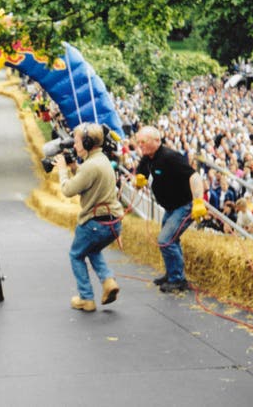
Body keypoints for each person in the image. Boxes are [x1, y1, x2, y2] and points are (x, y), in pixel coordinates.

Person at [54, 123, 124, 312]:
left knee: (76, 255)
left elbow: (68, 190)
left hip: (94, 223)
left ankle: (86, 298)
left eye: (76, 142)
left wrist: (62, 170)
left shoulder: (90, 166)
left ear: (87, 142)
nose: (74, 146)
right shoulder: (101, 160)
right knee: (92, 249)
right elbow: (88, 181)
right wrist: (75, 167)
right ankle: (108, 281)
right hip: (113, 223)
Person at [134, 125, 206, 293]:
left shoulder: (170, 157)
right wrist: (139, 179)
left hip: (183, 206)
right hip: (170, 207)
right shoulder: (147, 158)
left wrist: (198, 202)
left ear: (156, 141)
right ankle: (172, 273)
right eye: (138, 142)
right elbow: (141, 172)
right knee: (171, 240)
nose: (140, 145)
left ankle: (178, 280)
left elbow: (194, 176)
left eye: (143, 142)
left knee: (165, 240)